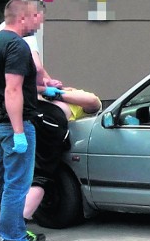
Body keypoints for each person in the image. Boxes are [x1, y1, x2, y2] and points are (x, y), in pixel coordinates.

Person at [0, 0, 51, 241]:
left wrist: (45, 89)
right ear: (23, 18)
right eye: (35, 18)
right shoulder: (17, 46)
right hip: (12, 125)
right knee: (16, 184)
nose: (37, 24)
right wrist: (19, 131)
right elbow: (13, 89)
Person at [23, 87, 102, 221]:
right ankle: (12, 227)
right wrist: (43, 90)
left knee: (39, 176)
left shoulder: (74, 100)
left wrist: (59, 94)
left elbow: (94, 102)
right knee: (33, 176)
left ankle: (14, 225)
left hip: (40, 123)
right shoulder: (39, 88)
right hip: (24, 119)